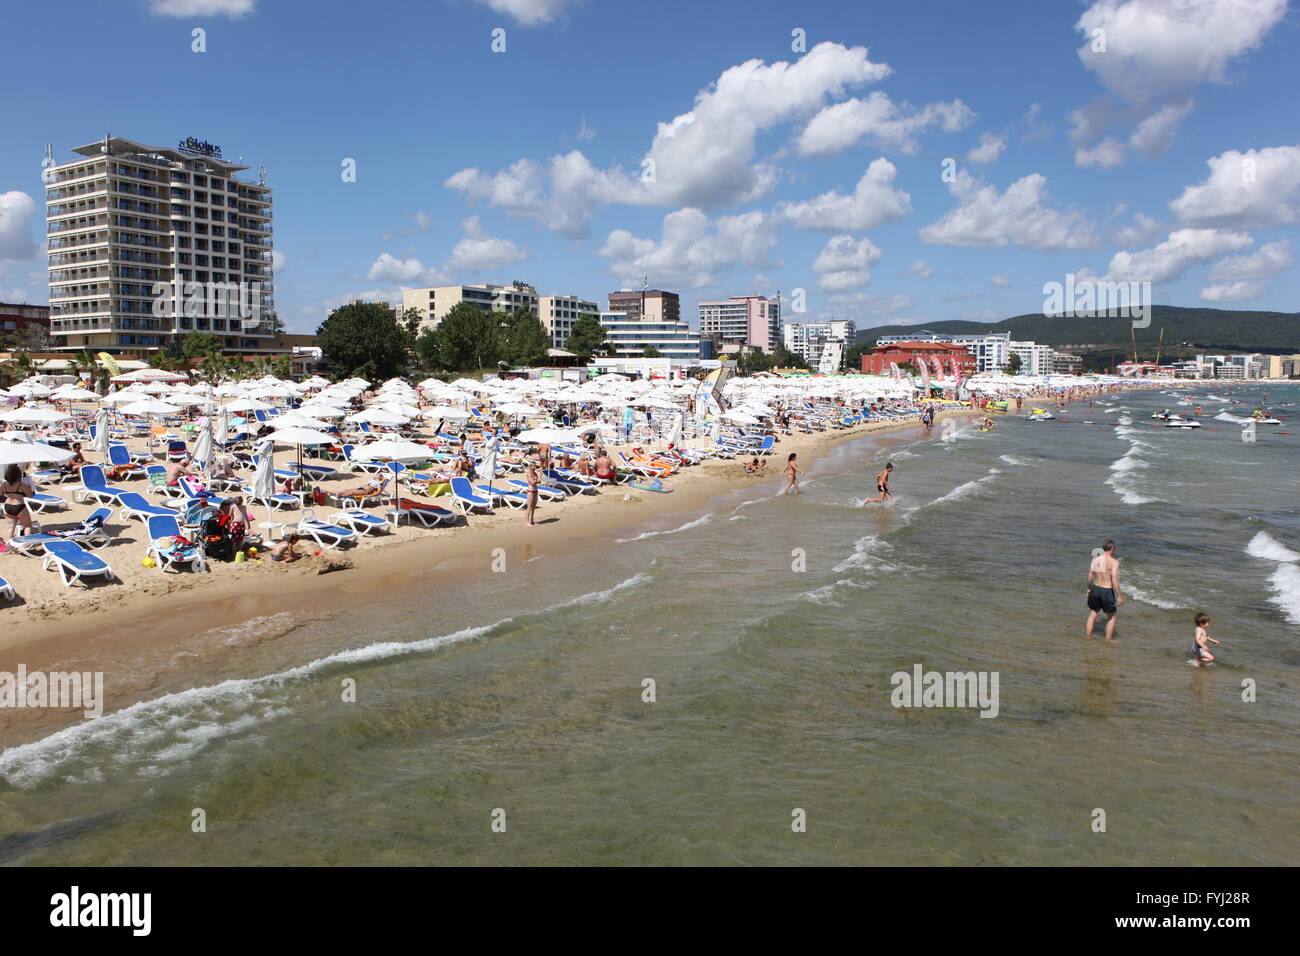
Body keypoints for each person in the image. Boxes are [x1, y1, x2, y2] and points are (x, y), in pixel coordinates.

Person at [1085, 540, 1124, 640]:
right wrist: (1120, 596)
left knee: (1092, 615)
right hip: (1107, 591)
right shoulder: (1114, 562)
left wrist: (1089, 588)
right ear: (1112, 549)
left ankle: (1087, 638)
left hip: (1095, 588)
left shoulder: (1095, 559)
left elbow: (1090, 575)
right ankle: (1108, 641)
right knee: (1112, 617)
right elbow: (1114, 580)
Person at [2, 464, 35, 540]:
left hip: (7, 506)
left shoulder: (5, 484)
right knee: (27, 526)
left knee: (10, 527)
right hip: (19, 506)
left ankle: (9, 545)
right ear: (18, 474)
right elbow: (30, 495)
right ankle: (26, 544)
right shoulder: (21, 485)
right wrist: (28, 488)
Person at [524, 459, 540, 527]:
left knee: (533, 506)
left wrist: (539, 476)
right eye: (533, 466)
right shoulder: (528, 473)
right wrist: (536, 481)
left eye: (535, 466)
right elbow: (532, 482)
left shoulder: (535, 473)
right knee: (529, 506)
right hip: (530, 491)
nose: (535, 467)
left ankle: (532, 520)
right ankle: (527, 521)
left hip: (536, 490)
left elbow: (539, 481)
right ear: (530, 466)